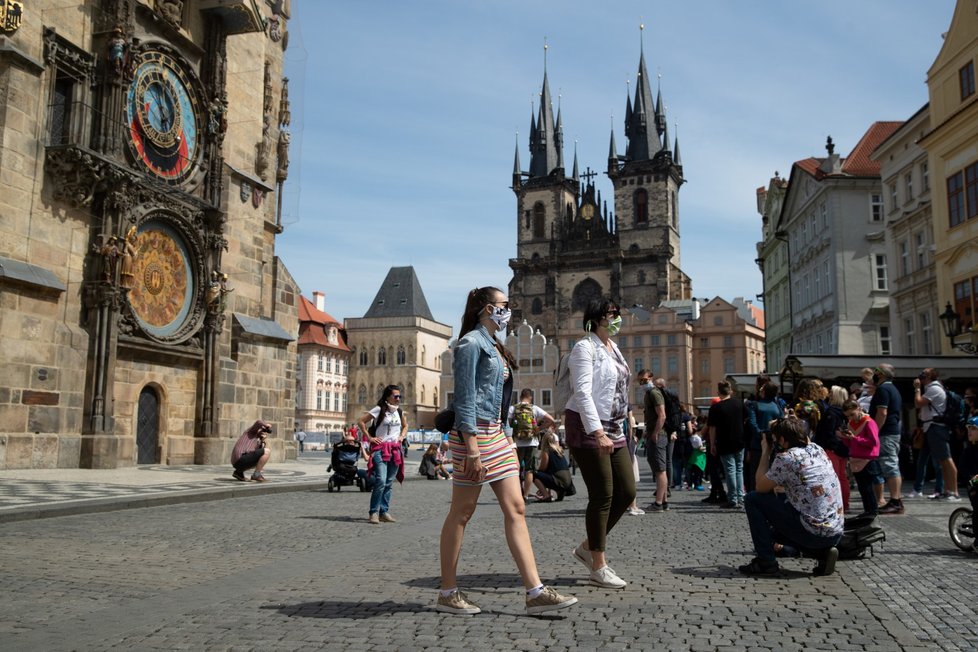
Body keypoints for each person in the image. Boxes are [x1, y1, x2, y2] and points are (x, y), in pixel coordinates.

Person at [436, 286, 576, 615]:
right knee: (462, 512)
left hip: (498, 434)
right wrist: (471, 447)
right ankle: (447, 592)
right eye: (503, 305)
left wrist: (511, 433)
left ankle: (535, 591)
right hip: (475, 435)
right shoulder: (470, 343)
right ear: (486, 308)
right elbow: (466, 397)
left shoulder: (495, 345)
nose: (508, 311)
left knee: (517, 509)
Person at [565, 298, 635, 590]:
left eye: (618, 313)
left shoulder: (613, 347)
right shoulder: (585, 347)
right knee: (603, 494)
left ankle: (587, 546)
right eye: (612, 314)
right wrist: (597, 432)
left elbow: (619, 387)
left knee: (627, 491)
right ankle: (598, 565)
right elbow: (582, 392)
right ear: (596, 318)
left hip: (615, 426)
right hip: (588, 427)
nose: (617, 318)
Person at [739, 416, 844, 577]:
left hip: (812, 533)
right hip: (835, 533)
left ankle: (766, 562)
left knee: (753, 499)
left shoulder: (787, 458)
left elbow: (760, 487)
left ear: (782, 439)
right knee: (778, 513)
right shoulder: (818, 449)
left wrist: (765, 451)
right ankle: (821, 553)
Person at [358, 385, 407, 524]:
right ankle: (373, 512)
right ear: (387, 397)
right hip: (380, 449)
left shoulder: (400, 412)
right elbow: (361, 421)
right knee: (380, 480)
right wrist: (369, 437)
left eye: (399, 396)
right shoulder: (379, 409)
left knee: (389, 482)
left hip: (395, 450)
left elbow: (405, 426)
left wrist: (402, 436)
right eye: (395, 396)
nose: (398, 399)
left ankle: (383, 511)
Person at [913, 368, 961, 502]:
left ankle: (955, 492)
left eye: (924, 373)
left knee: (946, 459)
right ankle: (947, 490)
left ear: (929, 376)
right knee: (942, 461)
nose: (921, 375)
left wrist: (917, 389)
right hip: (932, 427)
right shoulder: (931, 388)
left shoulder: (934, 389)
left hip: (937, 427)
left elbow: (918, 403)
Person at [507, 388, 556, 501]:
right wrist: (538, 429)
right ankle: (525, 495)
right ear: (530, 397)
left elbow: (505, 423)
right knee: (529, 470)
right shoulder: (534, 408)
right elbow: (551, 420)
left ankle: (517, 494)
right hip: (532, 442)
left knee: (516, 469)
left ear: (520, 396)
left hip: (517, 443)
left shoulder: (513, 408)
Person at [870, 364, 905, 514]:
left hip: (886, 433)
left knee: (890, 465)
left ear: (882, 374)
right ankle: (895, 500)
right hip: (891, 432)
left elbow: (882, 412)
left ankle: (895, 501)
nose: (874, 373)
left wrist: (874, 431)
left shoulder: (883, 389)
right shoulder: (892, 388)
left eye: (876, 371)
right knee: (890, 464)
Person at [708, 381, 746, 509]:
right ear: (730, 391)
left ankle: (733, 499)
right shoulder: (739, 404)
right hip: (739, 441)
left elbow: (712, 428)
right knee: (739, 469)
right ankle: (740, 497)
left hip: (724, 442)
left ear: (718, 392)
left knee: (730, 470)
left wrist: (712, 444)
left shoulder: (716, 408)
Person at [814, 386, 850, 512]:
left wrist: (829, 447)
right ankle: (844, 504)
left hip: (832, 449)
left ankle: (837, 505)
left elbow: (826, 433)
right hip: (844, 448)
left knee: (834, 477)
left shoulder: (831, 413)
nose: (828, 394)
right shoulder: (845, 413)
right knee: (842, 477)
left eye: (831, 393)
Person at [745, 382, 784, 494]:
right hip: (774, 443)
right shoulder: (777, 406)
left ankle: (755, 497)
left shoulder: (754, 404)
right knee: (772, 474)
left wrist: (762, 434)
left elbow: (752, 423)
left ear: (764, 392)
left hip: (758, 444)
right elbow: (781, 422)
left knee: (756, 473)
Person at [642, 373, 669, 512]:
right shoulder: (649, 393)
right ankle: (663, 501)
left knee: (660, 470)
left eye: (645, 380)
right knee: (659, 469)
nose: (642, 382)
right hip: (655, 434)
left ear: (651, 378)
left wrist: (655, 433)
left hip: (658, 435)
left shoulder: (654, 393)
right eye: (640, 380)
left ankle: (658, 503)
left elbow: (662, 415)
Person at [534, 432, 574, 501]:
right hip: (568, 481)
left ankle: (546, 495)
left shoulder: (547, 451)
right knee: (550, 473)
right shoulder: (559, 450)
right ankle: (559, 492)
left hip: (558, 480)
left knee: (534, 475)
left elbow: (543, 468)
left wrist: (542, 486)